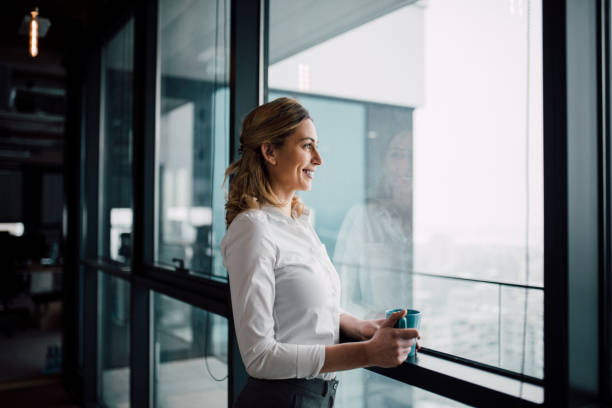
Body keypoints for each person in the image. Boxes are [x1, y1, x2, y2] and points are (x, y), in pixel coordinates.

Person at [220, 97, 420, 408]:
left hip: (318, 399)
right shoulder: (253, 230)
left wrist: (364, 327)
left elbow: (310, 311)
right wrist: (367, 352)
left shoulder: (300, 224)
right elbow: (259, 357)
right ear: (270, 151)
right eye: (307, 146)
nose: (318, 159)